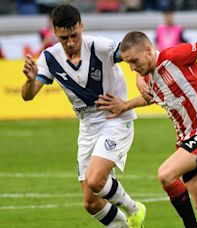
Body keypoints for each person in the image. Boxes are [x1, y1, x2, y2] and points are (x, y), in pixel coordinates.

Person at [96, 31, 197, 228]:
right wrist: (126, 105)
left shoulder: (175, 56)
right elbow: (152, 97)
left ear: (149, 50)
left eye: (134, 61)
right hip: (187, 140)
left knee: (166, 174)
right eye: (128, 63)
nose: (132, 68)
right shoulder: (150, 78)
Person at [21, 5, 145, 228]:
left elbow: (134, 57)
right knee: (91, 202)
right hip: (87, 126)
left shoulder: (101, 47)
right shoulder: (49, 58)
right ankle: (124, 226)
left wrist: (135, 89)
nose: (70, 42)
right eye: (63, 38)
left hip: (114, 118)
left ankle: (134, 209)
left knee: (96, 179)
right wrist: (30, 80)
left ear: (82, 27)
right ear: (54, 33)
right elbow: (28, 96)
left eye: (74, 35)